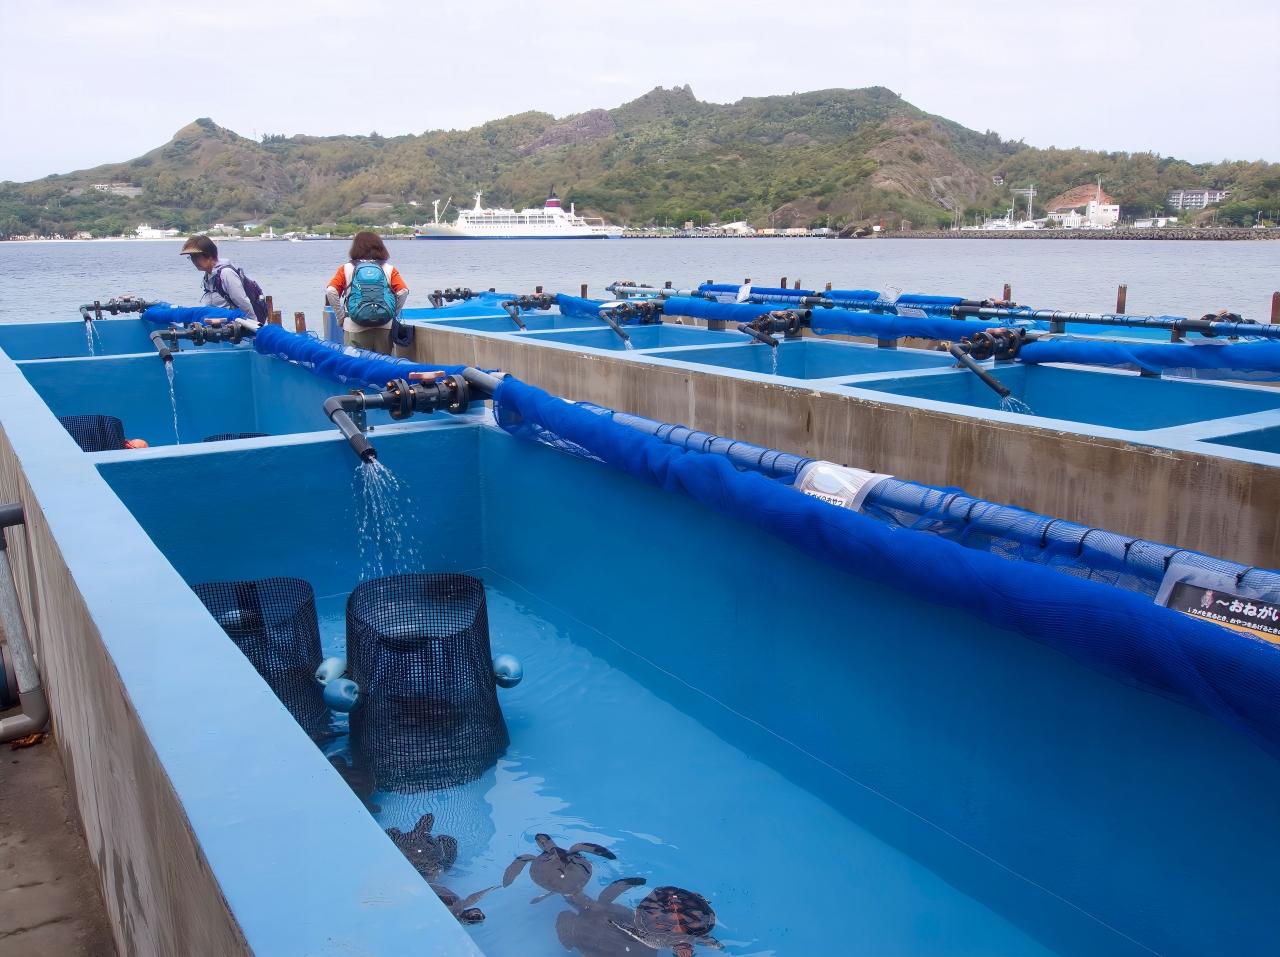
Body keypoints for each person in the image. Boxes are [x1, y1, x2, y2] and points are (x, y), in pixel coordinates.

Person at [325, 231, 409, 354]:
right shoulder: (389, 269)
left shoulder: (346, 269)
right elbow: (403, 291)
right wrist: (393, 313)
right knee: (382, 363)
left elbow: (331, 291)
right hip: (384, 327)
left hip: (354, 326)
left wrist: (340, 317)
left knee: (356, 363)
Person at [178, 235, 268, 321]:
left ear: (209, 255)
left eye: (196, 257)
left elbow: (242, 302)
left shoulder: (226, 273)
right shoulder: (209, 274)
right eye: (191, 257)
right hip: (219, 322)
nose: (194, 261)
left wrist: (254, 324)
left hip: (235, 322)